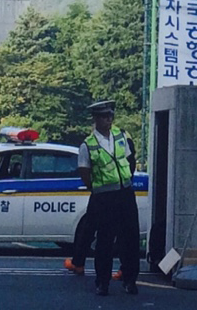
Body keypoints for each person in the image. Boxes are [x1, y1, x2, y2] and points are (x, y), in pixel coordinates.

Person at [76, 99, 139, 296]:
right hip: (104, 197)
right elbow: (85, 172)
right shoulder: (88, 145)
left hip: (125, 193)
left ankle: (130, 280)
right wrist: (97, 188)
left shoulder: (121, 136)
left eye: (110, 115)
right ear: (96, 119)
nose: (108, 120)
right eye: (104, 116)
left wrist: (126, 180)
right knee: (105, 240)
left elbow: (130, 160)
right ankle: (102, 282)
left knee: (130, 238)